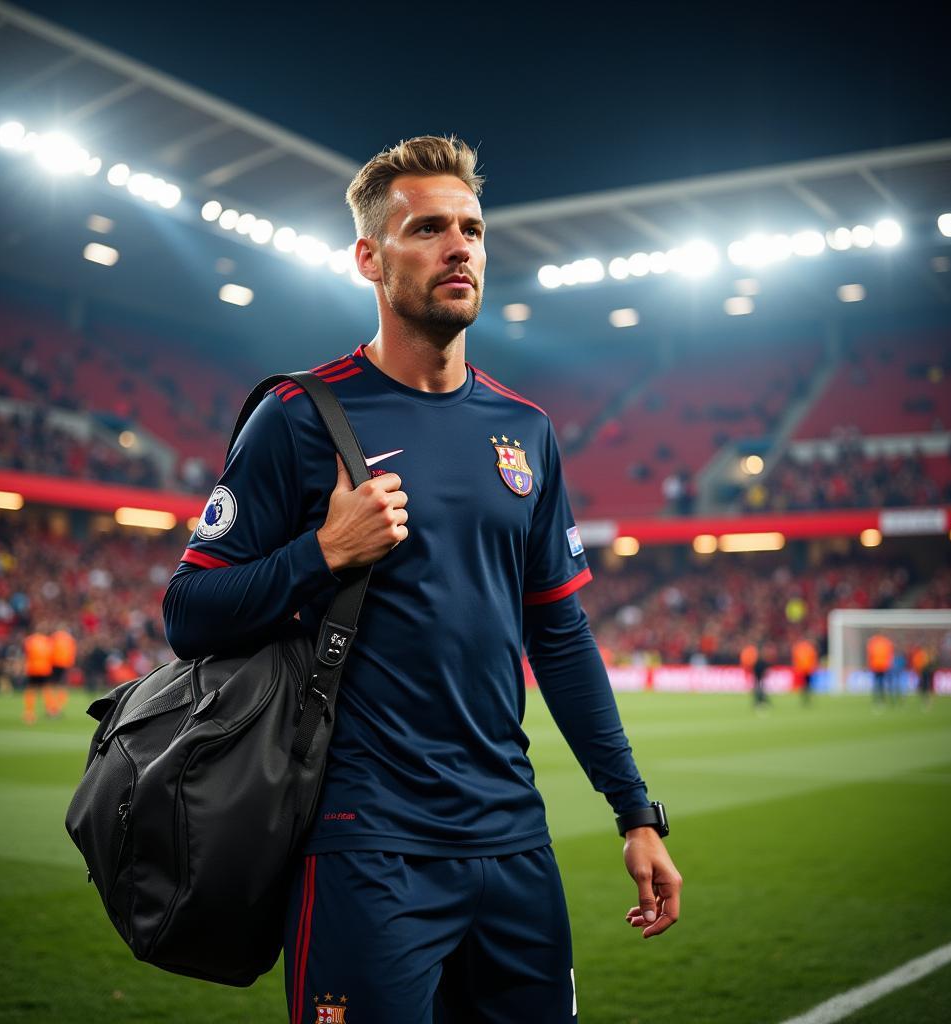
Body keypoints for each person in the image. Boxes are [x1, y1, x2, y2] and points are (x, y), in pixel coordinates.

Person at [163, 136, 681, 1023]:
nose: (460, 247)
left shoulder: (527, 429)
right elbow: (188, 611)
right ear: (369, 257)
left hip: (515, 842)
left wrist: (636, 812)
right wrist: (319, 554)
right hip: (369, 847)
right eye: (429, 228)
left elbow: (558, 636)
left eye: (473, 229)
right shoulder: (297, 416)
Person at [22, 624, 56, 723]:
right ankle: (50, 710)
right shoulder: (48, 641)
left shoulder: (29, 640)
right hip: (45, 668)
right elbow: (51, 655)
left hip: (32, 668)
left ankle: (29, 712)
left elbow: (26, 654)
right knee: (46, 689)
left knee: (31, 689)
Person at [867, 633, 893, 705]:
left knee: (877, 683)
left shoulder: (873, 643)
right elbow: (889, 654)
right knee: (882, 683)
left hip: (876, 666)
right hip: (884, 666)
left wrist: (870, 665)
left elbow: (870, 655)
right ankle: (883, 699)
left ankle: (876, 699)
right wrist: (888, 664)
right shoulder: (886, 643)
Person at [791, 637, 818, 706]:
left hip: (804, 670)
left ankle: (806, 699)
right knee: (806, 685)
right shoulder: (809, 648)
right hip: (806, 670)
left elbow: (796, 659)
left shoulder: (799, 648)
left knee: (805, 685)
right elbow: (813, 658)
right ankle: (806, 699)